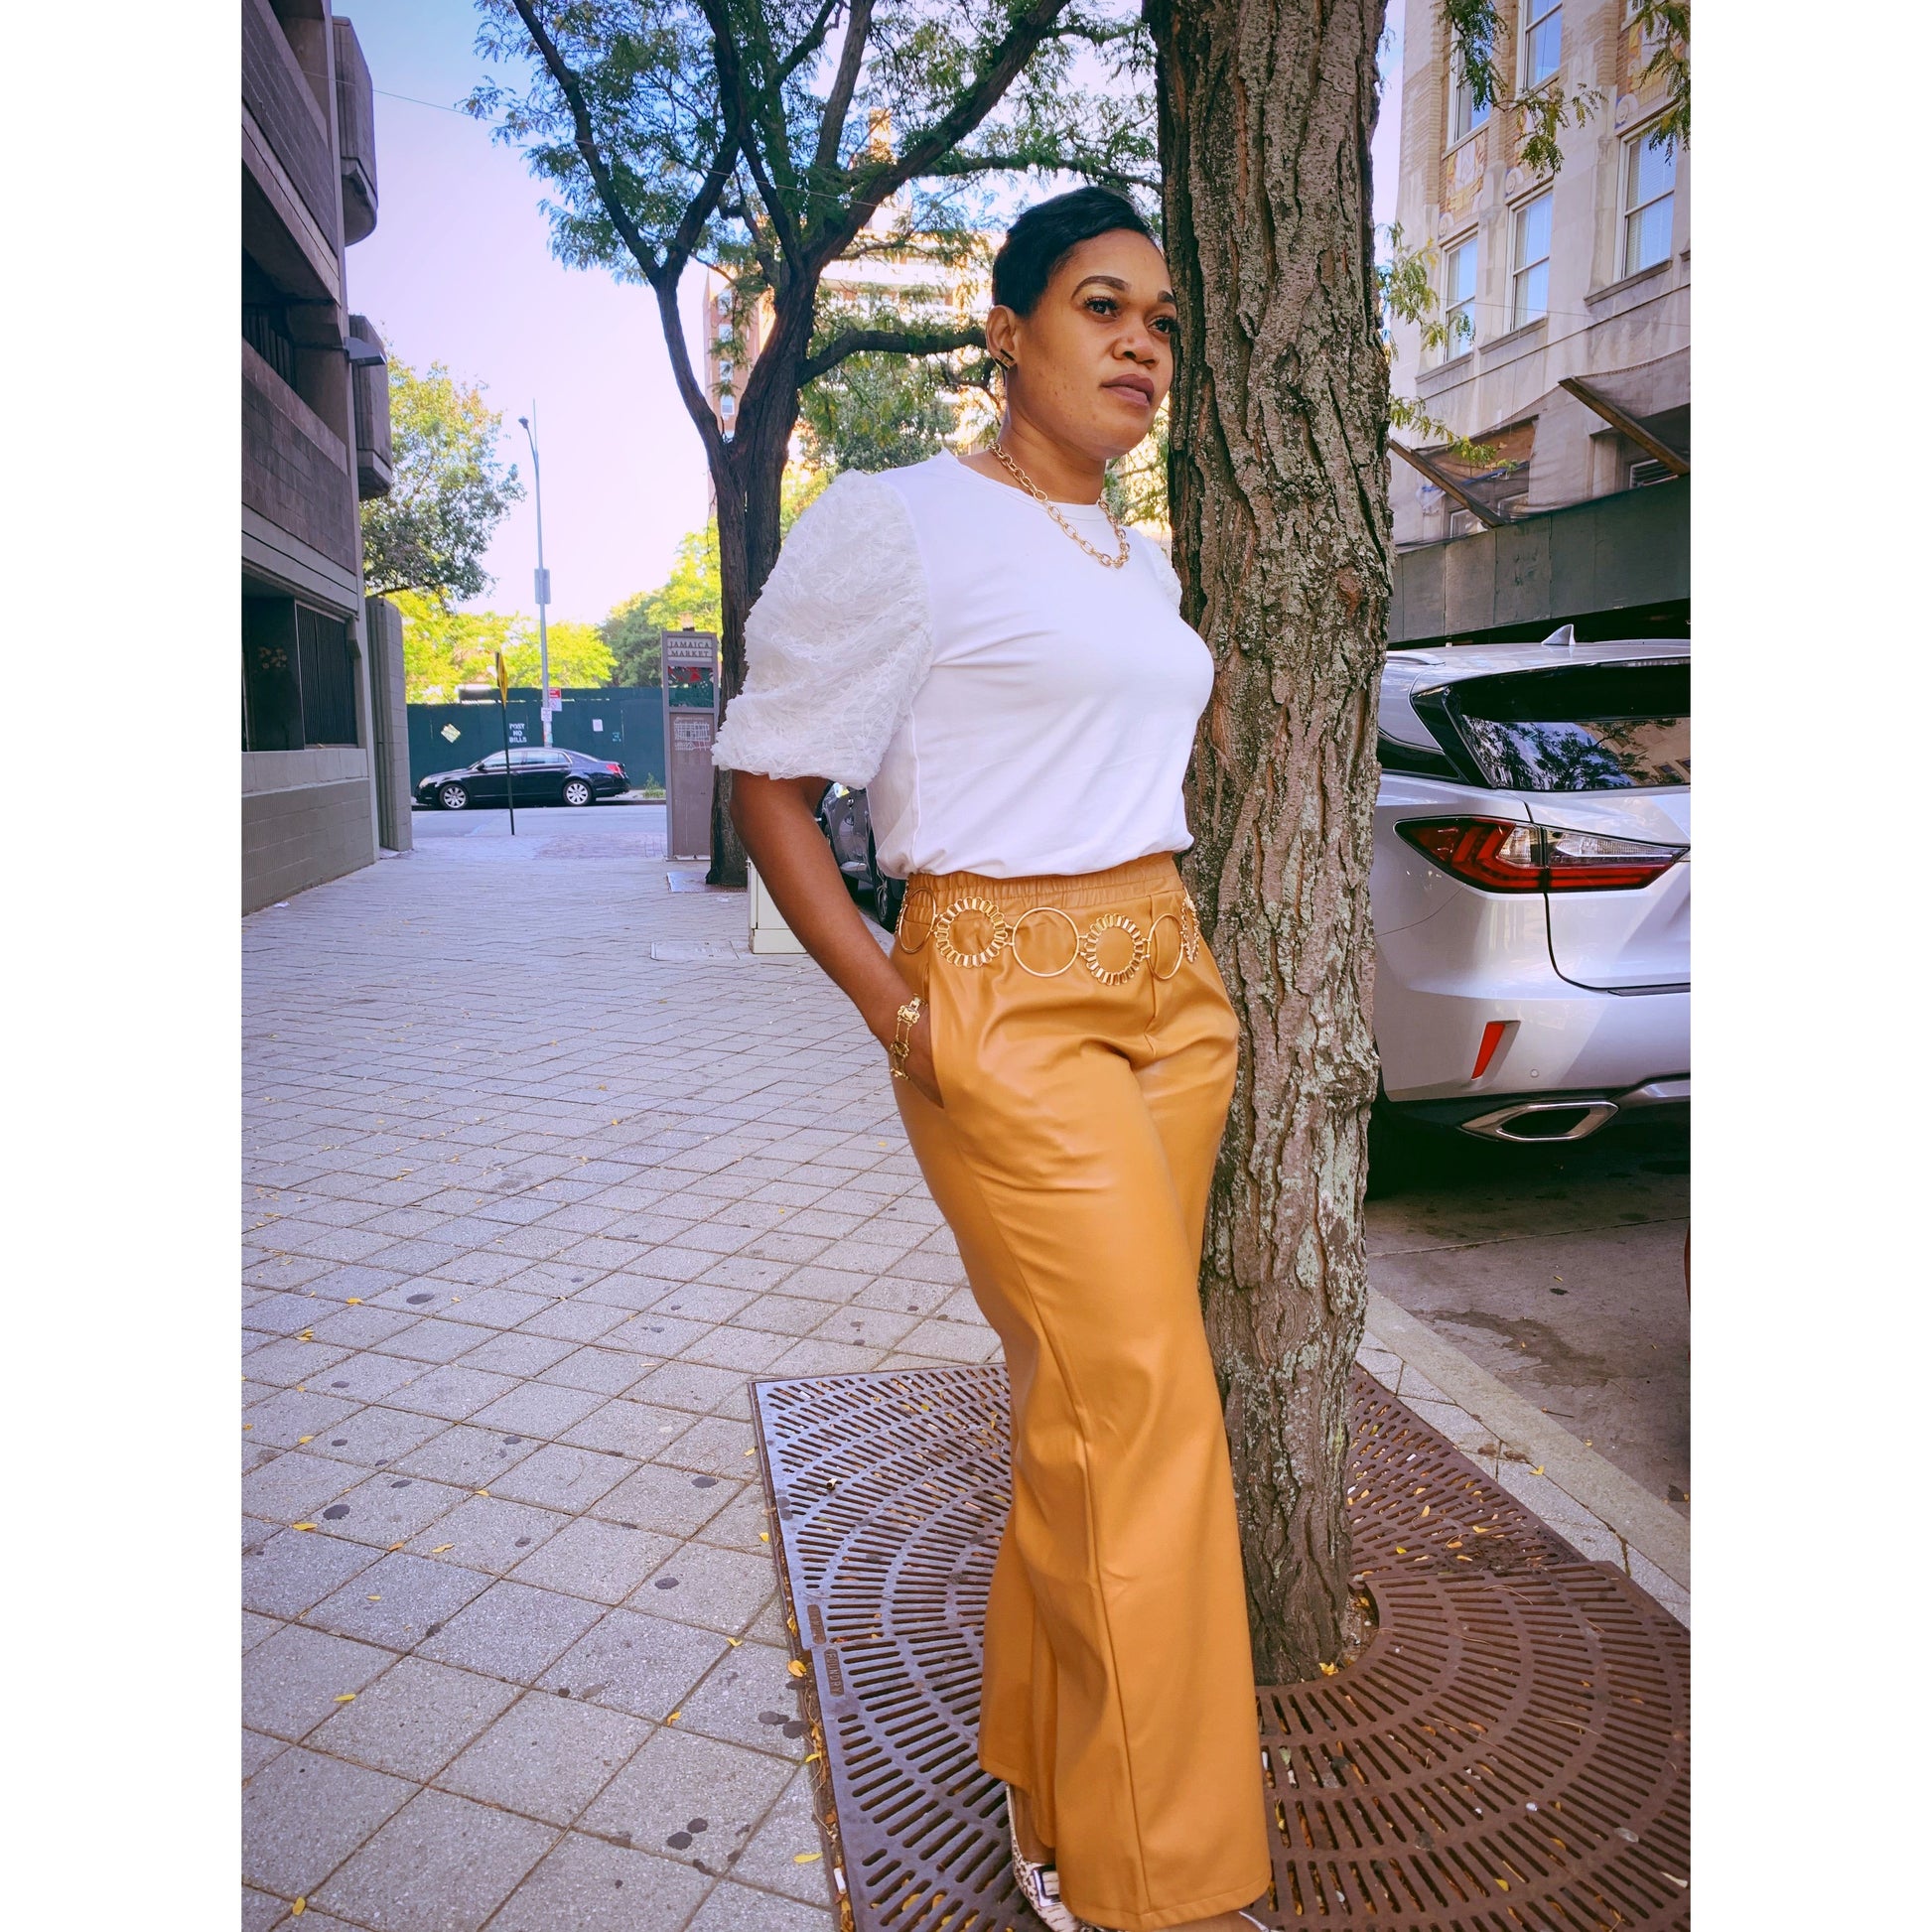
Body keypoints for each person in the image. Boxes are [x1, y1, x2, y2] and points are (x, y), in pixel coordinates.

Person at [714, 187, 1272, 1932]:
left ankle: (1043, 1775)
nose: (1139, 344)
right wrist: (897, 1009)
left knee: (1085, 1411)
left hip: (1168, 990)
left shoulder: (1137, 555)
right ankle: (1148, 1882)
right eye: (1101, 306)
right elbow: (768, 784)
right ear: (1006, 330)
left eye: (1160, 321)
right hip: (1002, 997)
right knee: (1146, 1412)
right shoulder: (897, 523)